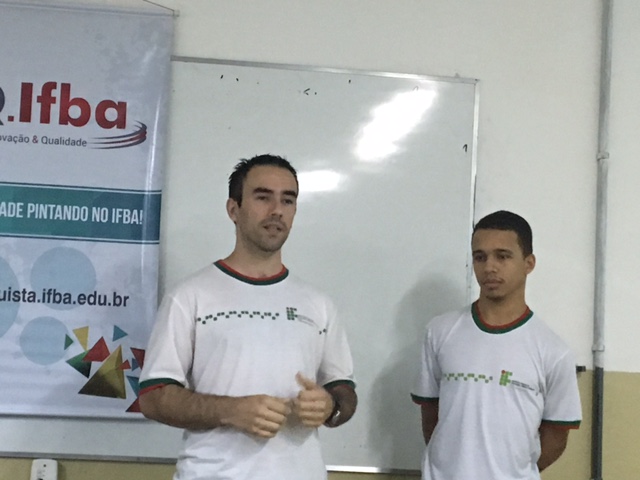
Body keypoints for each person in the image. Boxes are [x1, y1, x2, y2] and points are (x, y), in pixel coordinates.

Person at [139, 154, 357, 480]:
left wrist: (330, 407)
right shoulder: (189, 296)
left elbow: (344, 393)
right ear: (233, 209)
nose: (277, 210)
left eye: (288, 200)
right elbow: (154, 397)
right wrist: (231, 410)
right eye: (263, 197)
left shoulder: (319, 304)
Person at [411, 210, 581, 480]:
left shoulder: (553, 350)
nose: (489, 267)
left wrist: (511, 471)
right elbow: (430, 414)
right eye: (480, 257)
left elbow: (556, 436)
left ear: (529, 263)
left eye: (502, 256)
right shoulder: (440, 331)